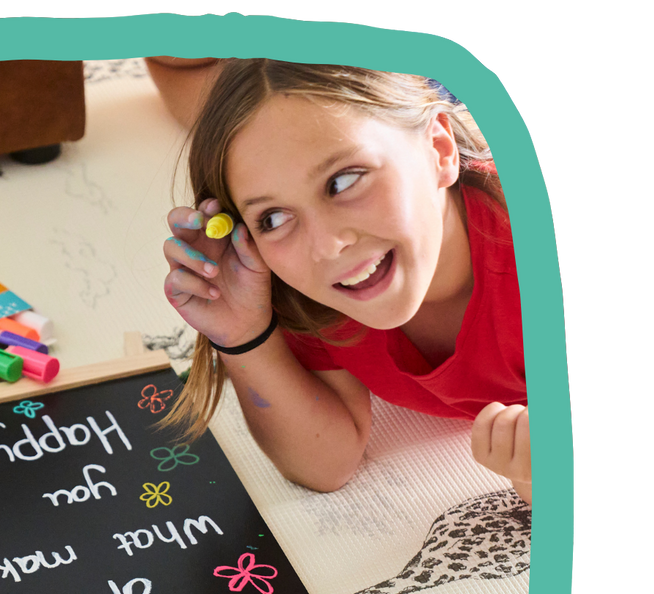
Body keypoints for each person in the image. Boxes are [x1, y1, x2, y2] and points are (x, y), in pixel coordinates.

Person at [159, 60, 531, 503]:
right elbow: (325, 464)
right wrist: (244, 335)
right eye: (273, 218)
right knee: (178, 65)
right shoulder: (308, 292)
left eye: (343, 182)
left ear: (439, 149)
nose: (326, 246)